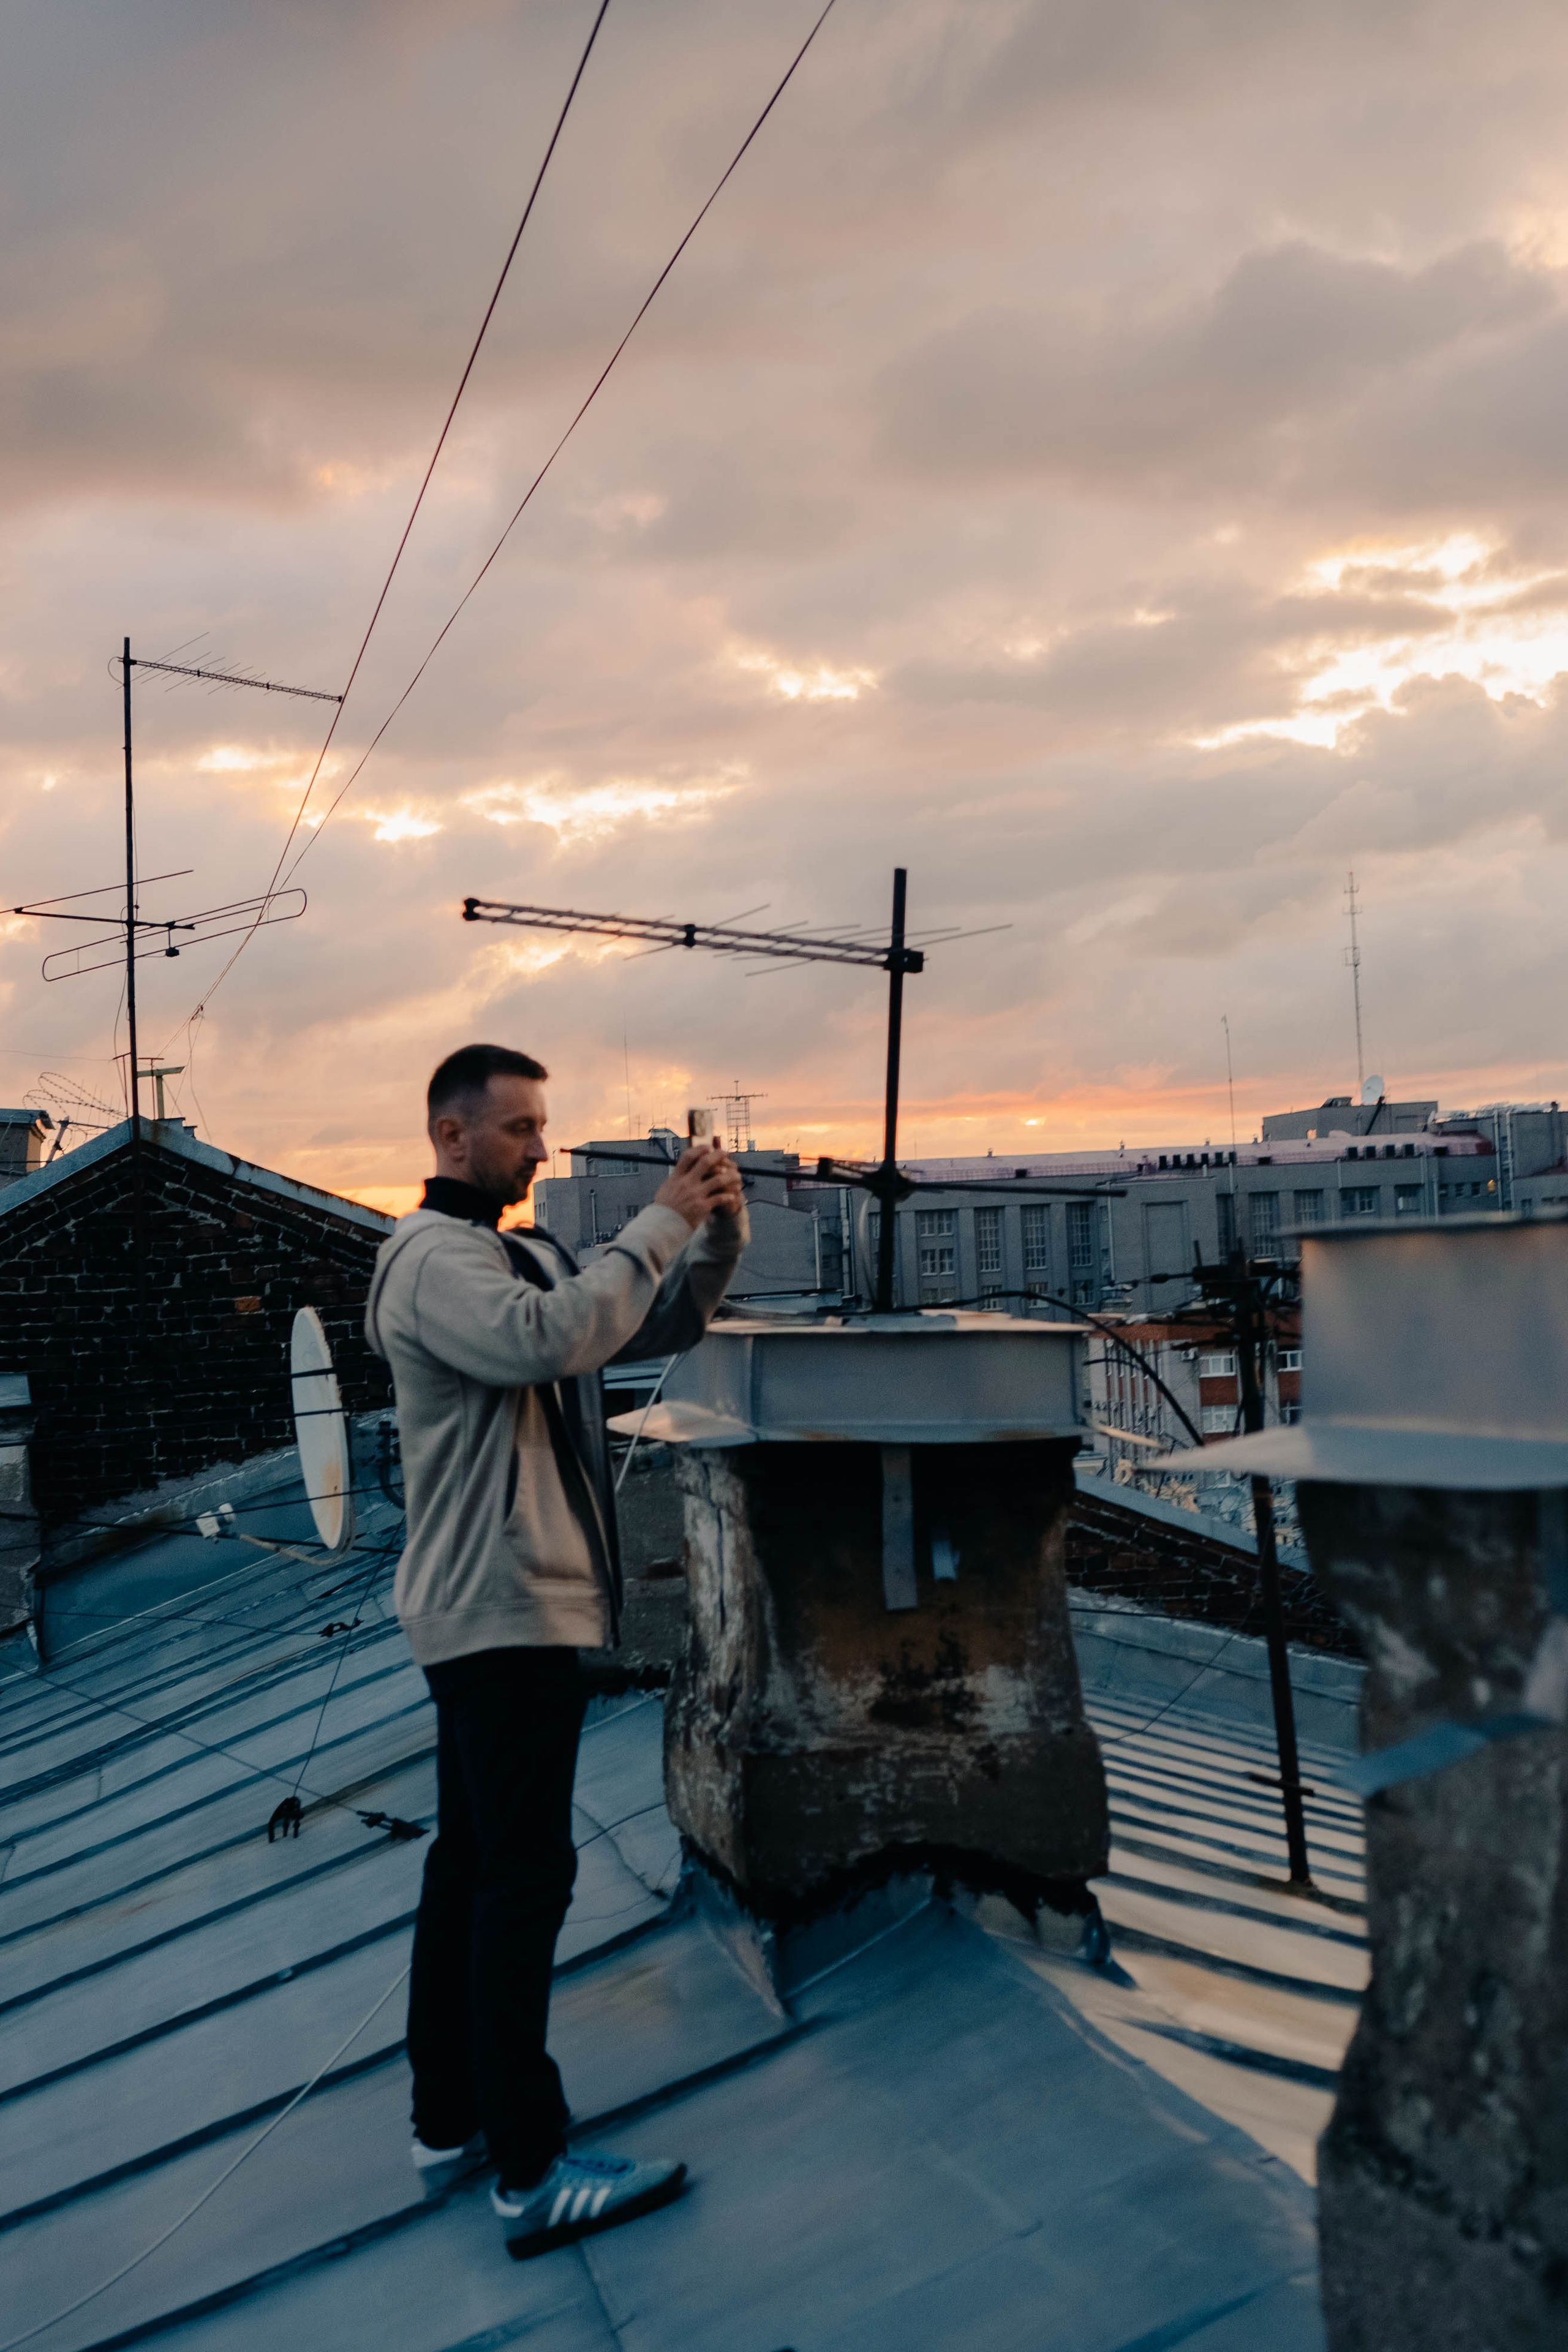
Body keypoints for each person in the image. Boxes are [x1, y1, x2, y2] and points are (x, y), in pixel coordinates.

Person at [365, 1042, 747, 2257]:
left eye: (542, 1125)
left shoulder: (506, 1252)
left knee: (470, 1873)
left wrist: (711, 1233)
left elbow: (641, 1321)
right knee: (521, 1883)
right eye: (521, 1128)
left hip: (506, 1612)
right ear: (451, 1137)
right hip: (501, 1615)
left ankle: (449, 2121)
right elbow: (550, 1341)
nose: (539, 1147)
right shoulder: (430, 1260)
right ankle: (529, 2171)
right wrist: (653, 1218)